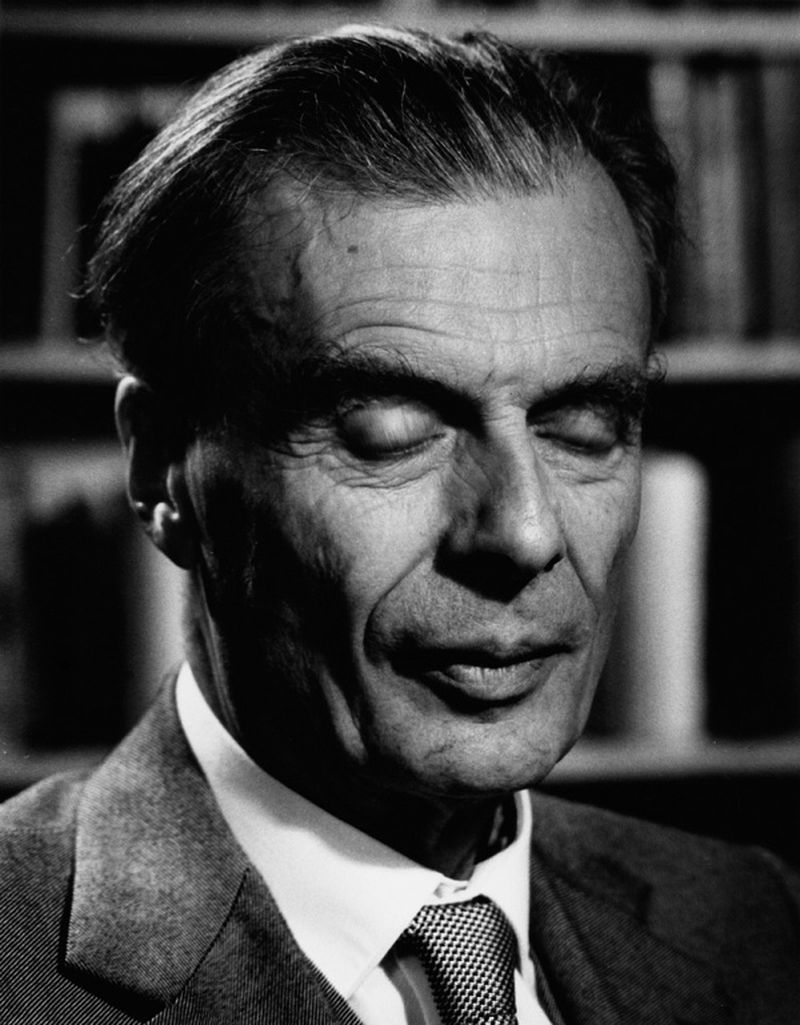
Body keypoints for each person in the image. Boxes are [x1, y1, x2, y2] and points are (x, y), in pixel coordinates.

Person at [1, 25, 798, 1025]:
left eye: (584, 427)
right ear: (163, 466)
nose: (522, 534)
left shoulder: (753, 922)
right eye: (389, 435)